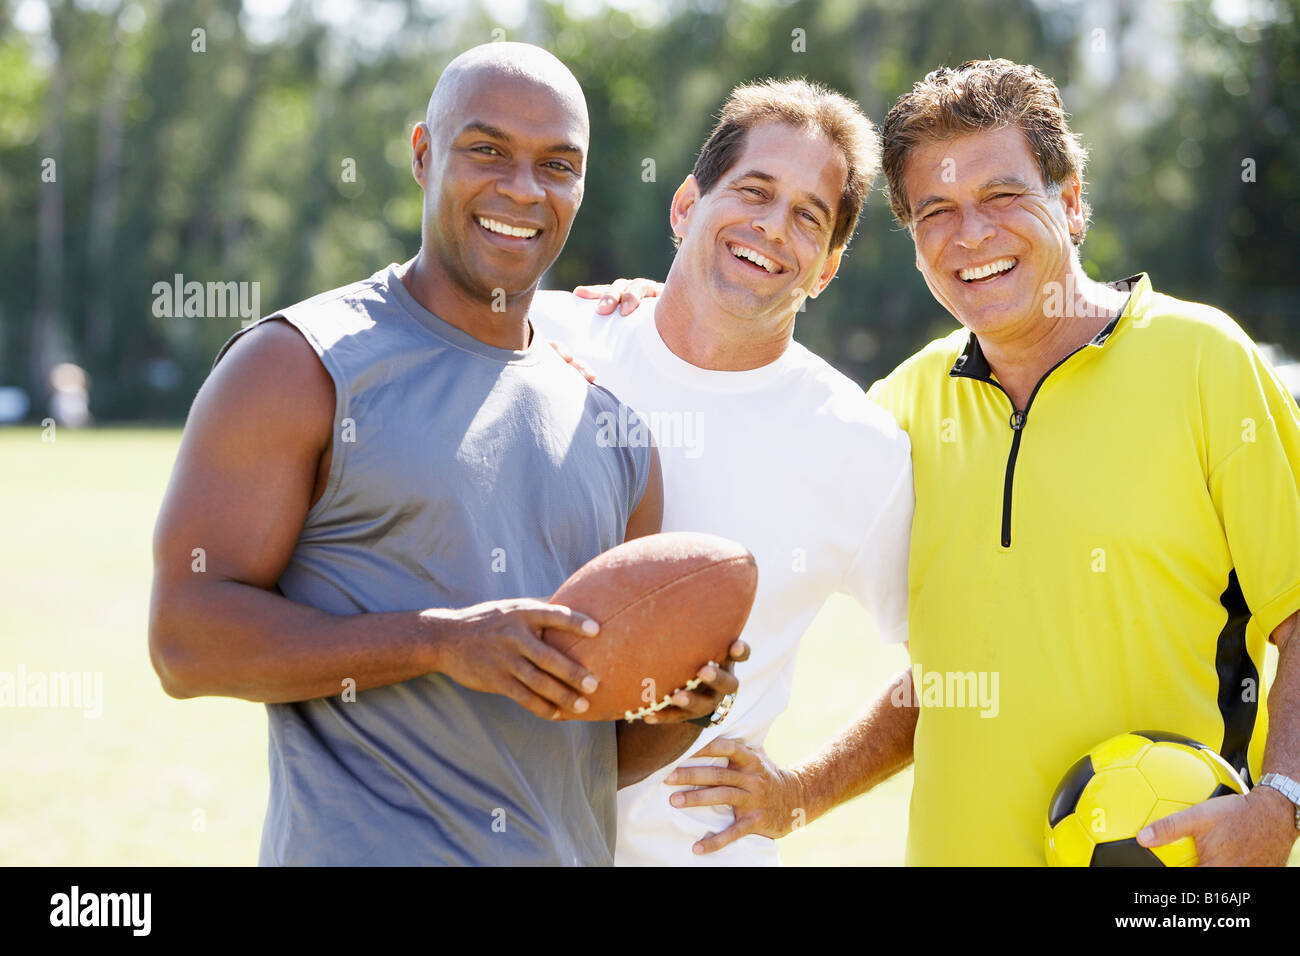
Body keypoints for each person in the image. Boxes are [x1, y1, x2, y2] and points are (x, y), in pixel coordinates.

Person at [583, 58, 1300, 866]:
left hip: (1173, 880)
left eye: (1003, 197)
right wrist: (801, 795)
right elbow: (948, 677)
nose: (972, 235)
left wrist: (1283, 802)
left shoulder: (1203, 360)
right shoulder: (902, 414)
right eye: (936, 211)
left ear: (1069, 202)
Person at [147, 42, 742, 867]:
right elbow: (185, 641)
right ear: (424, 155)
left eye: (557, 164)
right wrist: (438, 642)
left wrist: (677, 706)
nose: (522, 189)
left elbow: (590, 757)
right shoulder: (298, 365)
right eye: (487, 149)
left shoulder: (616, 433)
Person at [529, 78, 915, 866]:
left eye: (809, 217)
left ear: (826, 269)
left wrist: (805, 791)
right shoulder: (543, 339)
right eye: (754, 191)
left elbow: (956, 668)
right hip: (498, 838)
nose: (772, 228)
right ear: (684, 207)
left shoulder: (861, 448)